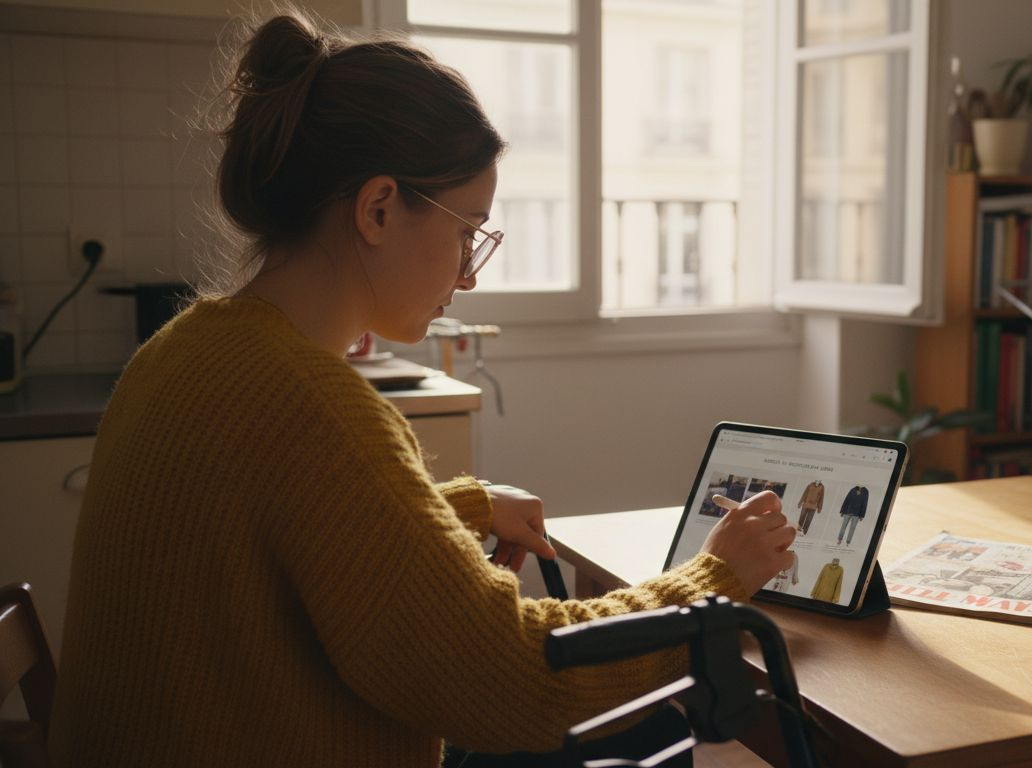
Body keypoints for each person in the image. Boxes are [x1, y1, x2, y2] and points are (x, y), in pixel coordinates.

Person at [46, 12, 796, 767]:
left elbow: (270, 532)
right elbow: (521, 681)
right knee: (665, 733)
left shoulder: (187, 347)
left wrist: (457, 506)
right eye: (468, 229)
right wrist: (716, 577)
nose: (468, 272)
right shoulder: (316, 410)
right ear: (377, 209)